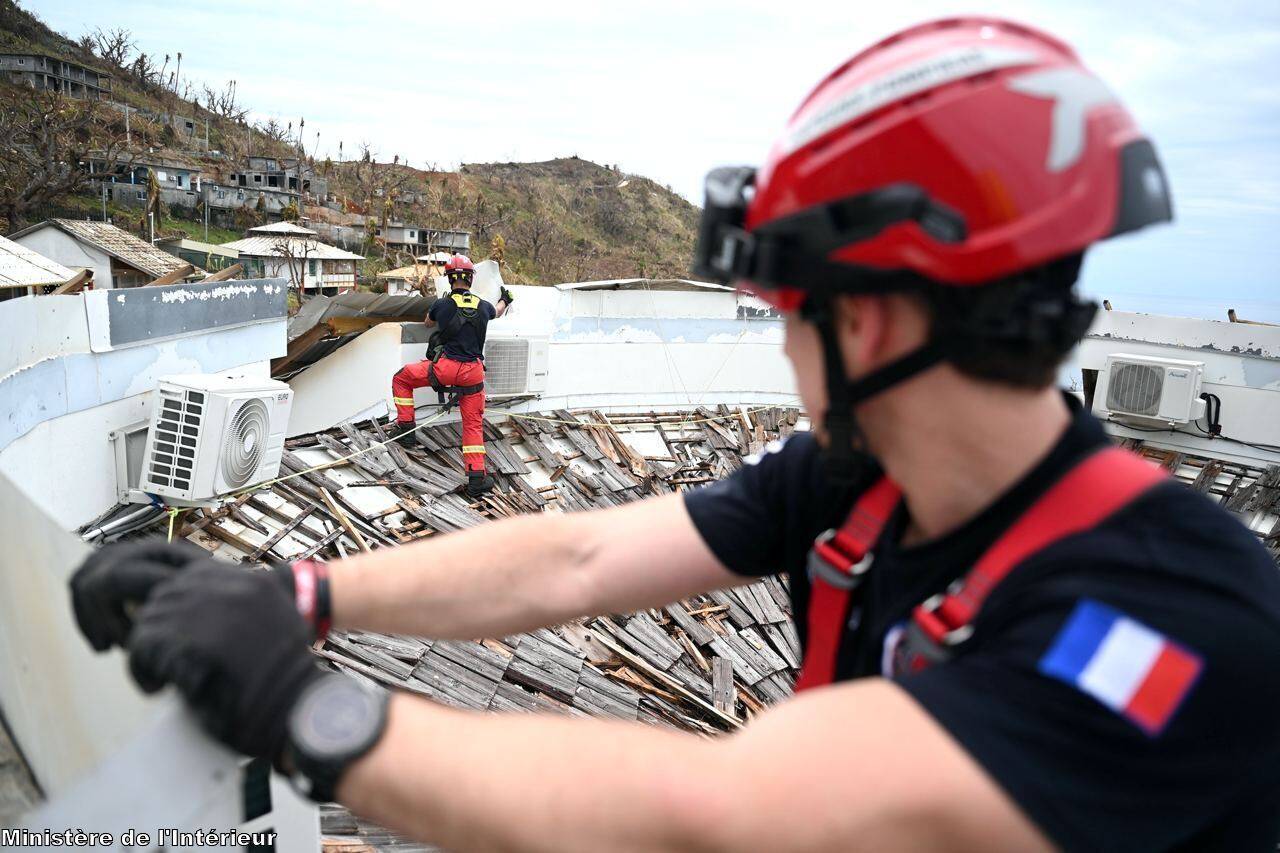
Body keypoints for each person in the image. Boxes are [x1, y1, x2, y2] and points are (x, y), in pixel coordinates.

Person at [70, 18, 1280, 852]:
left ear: (868, 319)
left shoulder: (1168, 619)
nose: (775, 328)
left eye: (785, 298)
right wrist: (304, 594)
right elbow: (574, 561)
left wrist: (299, 707)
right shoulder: (863, 479)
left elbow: (722, 812)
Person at [388, 254, 513, 498]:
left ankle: (406, 428)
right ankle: (477, 477)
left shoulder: (442, 304)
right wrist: (505, 299)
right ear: (470, 280)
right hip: (473, 373)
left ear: (449, 279)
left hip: (446, 368)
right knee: (473, 424)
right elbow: (498, 311)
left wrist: (441, 309)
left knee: (402, 378)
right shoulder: (483, 306)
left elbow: (427, 323)